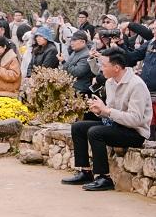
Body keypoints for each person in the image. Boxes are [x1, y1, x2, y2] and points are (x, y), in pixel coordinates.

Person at [62, 48, 150, 191]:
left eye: (103, 65)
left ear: (116, 67)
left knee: (95, 132)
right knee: (78, 127)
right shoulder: (110, 82)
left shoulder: (136, 85)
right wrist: (100, 112)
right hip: (117, 125)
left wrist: (107, 111)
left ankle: (104, 177)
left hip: (135, 132)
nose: (100, 69)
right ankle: (85, 171)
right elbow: (110, 113)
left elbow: (136, 119)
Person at [61, 31, 96, 98]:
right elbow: (66, 68)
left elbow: (76, 72)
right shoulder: (75, 52)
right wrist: (66, 64)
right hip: (71, 88)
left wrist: (65, 63)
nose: (71, 43)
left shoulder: (86, 55)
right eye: (71, 40)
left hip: (80, 91)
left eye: (74, 40)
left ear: (83, 42)